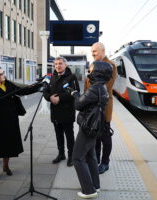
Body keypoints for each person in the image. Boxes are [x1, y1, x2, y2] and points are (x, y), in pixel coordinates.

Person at [0, 66, 41, 180]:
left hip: (11, 119)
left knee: (9, 144)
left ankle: (6, 166)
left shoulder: (8, 84)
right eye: (1, 74)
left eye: (3, 73)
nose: (4, 75)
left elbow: (22, 91)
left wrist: (38, 87)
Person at [71, 61, 112, 199]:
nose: (89, 72)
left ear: (98, 72)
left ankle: (89, 190)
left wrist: (75, 94)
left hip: (88, 127)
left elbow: (78, 104)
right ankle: (96, 185)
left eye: (91, 69)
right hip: (95, 126)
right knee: (90, 156)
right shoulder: (103, 87)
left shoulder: (95, 88)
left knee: (77, 158)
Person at [84, 42, 117, 174]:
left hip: (104, 106)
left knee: (105, 135)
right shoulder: (92, 65)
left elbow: (105, 88)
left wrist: (88, 96)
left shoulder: (111, 65)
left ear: (103, 51)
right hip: (92, 104)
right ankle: (96, 158)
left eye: (95, 51)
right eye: (92, 52)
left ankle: (105, 162)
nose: (92, 54)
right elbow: (87, 83)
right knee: (95, 134)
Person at [43, 56, 80, 167]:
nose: (58, 66)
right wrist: (49, 97)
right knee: (58, 135)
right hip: (55, 112)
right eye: (56, 64)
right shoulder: (51, 77)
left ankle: (71, 156)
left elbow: (75, 93)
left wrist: (59, 98)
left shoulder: (71, 77)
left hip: (67, 111)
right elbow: (45, 90)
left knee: (69, 135)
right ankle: (61, 154)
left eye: (60, 63)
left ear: (65, 65)